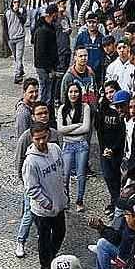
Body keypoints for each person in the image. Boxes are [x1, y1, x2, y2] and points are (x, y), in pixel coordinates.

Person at [15, 102, 60, 258]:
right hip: (33, 184)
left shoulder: (54, 134)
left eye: (45, 113)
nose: (43, 116)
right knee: (29, 213)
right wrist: (26, 182)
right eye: (39, 114)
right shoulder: (26, 137)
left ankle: (49, 251)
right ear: (33, 117)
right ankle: (21, 240)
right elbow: (20, 162)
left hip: (50, 183)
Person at [22, 123, 67, 269]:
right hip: (42, 210)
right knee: (44, 238)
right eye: (37, 139)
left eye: (43, 137)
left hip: (59, 204)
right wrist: (46, 203)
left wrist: (64, 193)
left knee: (60, 232)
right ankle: (46, 266)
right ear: (32, 139)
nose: (41, 141)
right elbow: (31, 188)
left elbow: (61, 171)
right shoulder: (30, 162)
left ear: (48, 135)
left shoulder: (55, 149)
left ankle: (51, 255)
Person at [57, 82, 91, 211]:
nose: (73, 94)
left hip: (81, 144)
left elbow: (86, 128)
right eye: (71, 91)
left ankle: (79, 200)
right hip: (67, 145)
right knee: (65, 175)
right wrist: (76, 126)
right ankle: (66, 199)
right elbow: (60, 129)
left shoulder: (85, 107)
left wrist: (67, 130)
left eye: (76, 91)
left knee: (81, 174)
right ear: (67, 93)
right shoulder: (62, 108)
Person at [96, 78, 125, 210]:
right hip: (105, 150)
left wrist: (114, 149)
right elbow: (99, 130)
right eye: (107, 93)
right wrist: (104, 148)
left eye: (112, 91)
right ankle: (114, 201)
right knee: (108, 177)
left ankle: (118, 204)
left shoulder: (122, 109)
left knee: (118, 178)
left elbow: (123, 133)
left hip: (118, 150)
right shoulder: (103, 108)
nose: (109, 95)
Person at [33, 3, 59, 106]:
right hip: (44, 67)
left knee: (48, 90)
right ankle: (43, 109)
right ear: (53, 14)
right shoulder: (43, 31)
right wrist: (50, 69)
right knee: (46, 91)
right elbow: (41, 53)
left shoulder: (48, 27)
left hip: (46, 66)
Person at [75, 13, 105, 85]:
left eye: (94, 22)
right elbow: (76, 53)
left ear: (98, 23)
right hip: (83, 70)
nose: (91, 24)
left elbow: (103, 54)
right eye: (89, 22)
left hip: (98, 71)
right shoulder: (81, 36)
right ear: (86, 23)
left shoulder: (102, 38)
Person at [5, 0, 27, 84]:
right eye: (14, 2)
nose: (16, 4)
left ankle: (17, 76)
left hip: (20, 37)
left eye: (17, 2)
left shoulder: (22, 11)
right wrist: (7, 38)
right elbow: (5, 26)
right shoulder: (7, 13)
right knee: (16, 57)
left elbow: (24, 20)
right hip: (11, 38)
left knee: (18, 58)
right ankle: (20, 70)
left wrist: (18, 12)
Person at [55, 0, 72, 103]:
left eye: (65, 3)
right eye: (62, 3)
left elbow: (68, 29)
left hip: (66, 48)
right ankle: (57, 96)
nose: (64, 5)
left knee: (65, 73)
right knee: (60, 75)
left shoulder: (66, 16)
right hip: (59, 50)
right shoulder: (56, 18)